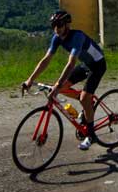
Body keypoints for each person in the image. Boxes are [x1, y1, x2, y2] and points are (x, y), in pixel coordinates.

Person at [22, 9, 107, 151]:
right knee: (63, 89)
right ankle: (86, 101)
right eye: (54, 25)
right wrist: (30, 79)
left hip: (98, 65)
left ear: (67, 25)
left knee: (81, 96)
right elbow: (46, 60)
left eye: (59, 25)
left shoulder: (77, 37)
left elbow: (71, 63)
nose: (56, 28)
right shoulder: (57, 38)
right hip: (86, 64)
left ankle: (91, 136)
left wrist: (57, 84)